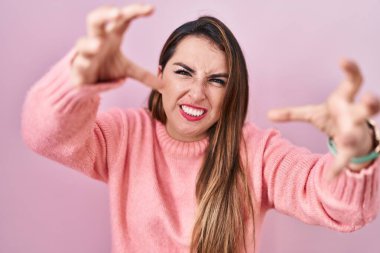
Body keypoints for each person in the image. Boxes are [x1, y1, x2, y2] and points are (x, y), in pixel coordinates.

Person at [22, 3, 380, 253]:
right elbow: (44, 135)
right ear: (159, 76)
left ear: (231, 93)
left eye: (217, 80)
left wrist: (359, 151)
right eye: (183, 72)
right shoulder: (125, 134)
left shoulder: (257, 152)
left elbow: (339, 205)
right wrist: (79, 80)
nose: (197, 93)